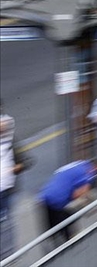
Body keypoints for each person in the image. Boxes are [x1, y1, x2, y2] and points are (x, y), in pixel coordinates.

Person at [38, 160, 97, 248]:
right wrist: (88, 204)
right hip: (59, 199)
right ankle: (70, 246)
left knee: (52, 228)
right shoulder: (90, 173)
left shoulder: (78, 164)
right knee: (68, 223)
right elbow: (77, 194)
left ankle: (51, 246)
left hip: (45, 195)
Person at [1, 108, 31, 261]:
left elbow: (26, 161)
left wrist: (13, 168)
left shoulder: (10, 142)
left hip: (6, 188)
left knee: (5, 221)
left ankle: (8, 255)